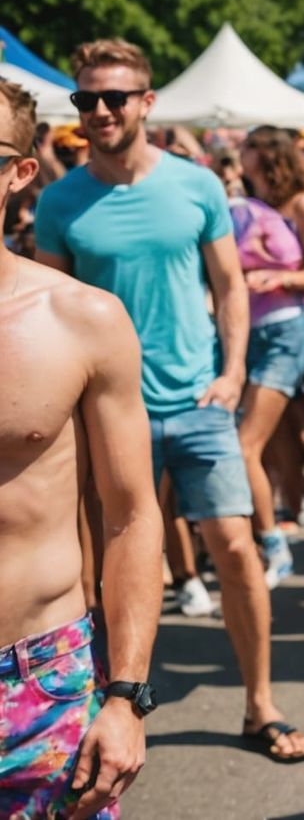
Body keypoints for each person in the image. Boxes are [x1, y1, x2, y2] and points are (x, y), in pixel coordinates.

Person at [35, 41, 304, 763]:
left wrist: (234, 371)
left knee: (235, 548)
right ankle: (102, 704)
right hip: (103, 414)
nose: (98, 111)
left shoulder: (195, 186)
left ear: (147, 103)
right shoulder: (62, 200)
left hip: (195, 399)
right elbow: (48, 307)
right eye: (85, 99)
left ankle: (261, 704)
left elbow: (228, 286)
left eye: (114, 97)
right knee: (100, 560)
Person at [0, 79, 163, 820]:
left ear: (19, 171)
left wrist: (126, 694)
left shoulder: (81, 319)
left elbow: (131, 514)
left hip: (40, 683)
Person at [234, 127, 304, 588]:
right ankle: (274, 524)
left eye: (252, 153)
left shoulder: (303, 204)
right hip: (245, 333)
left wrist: (277, 279)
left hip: (287, 331)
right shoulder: (241, 205)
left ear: (271, 158)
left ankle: (273, 542)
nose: (243, 160)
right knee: (274, 444)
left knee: (245, 446)